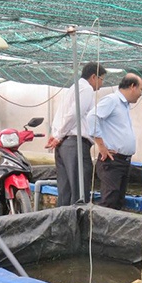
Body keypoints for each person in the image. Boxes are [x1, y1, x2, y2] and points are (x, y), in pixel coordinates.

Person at [46, 62, 106, 205]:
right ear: (93, 77)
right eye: (102, 79)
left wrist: (57, 135)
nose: (102, 84)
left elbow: (63, 114)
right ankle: (77, 225)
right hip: (75, 143)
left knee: (65, 190)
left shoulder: (73, 88)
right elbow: (74, 114)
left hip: (64, 144)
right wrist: (59, 135)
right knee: (79, 190)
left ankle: (62, 224)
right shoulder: (86, 89)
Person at [91, 73, 142, 210]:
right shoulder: (112, 100)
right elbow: (92, 117)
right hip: (112, 160)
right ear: (132, 86)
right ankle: (99, 229)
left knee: (118, 201)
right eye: (141, 89)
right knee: (110, 201)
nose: (140, 94)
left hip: (123, 161)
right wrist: (101, 146)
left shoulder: (124, 105)